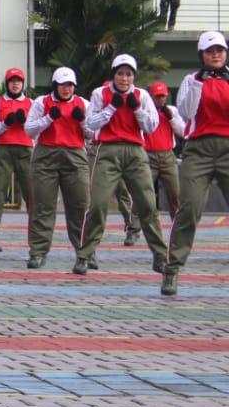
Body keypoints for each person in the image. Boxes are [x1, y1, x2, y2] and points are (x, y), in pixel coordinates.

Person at [80, 53, 167, 275]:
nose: (124, 78)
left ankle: (160, 255)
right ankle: (86, 254)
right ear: (114, 75)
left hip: (136, 152)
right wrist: (111, 109)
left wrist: (136, 109)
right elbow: (91, 123)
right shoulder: (101, 94)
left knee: (147, 205)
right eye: (120, 73)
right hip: (107, 150)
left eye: (128, 74)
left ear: (133, 77)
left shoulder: (142, 96)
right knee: (98, 204)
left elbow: (151, 127)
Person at [160, 31, 229, 296]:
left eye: (220, 51)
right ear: (201, 54)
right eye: (210, 51)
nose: (216, 55)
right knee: (188, 208)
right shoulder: (191, 80)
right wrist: (201, 82)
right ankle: (172, 270)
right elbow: (186, 112)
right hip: (198, 150)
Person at [23, 67, 92, 268]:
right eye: (62, 85)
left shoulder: (83, 104)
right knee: (43, 206)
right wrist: (48, 118)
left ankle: (84, 252)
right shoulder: (41, 102)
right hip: (46, 155)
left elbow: (92, 134)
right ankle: (38, 251)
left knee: (79, 205)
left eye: (70, 85)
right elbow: (29, 129)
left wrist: (83, 121)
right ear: (55, 85)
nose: (66, 89)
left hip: (75, 155)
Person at [0, 68, 33, 258]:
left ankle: (37, 243)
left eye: (18, 81)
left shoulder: (31, 103)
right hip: (2, 149)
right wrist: (5, 123)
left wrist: (26, 122)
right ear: (7, 83)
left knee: (32, 196)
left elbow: (36, 131)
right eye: (12, 81)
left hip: (25, 150)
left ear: (23, 83)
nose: (15, 84)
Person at [144, 81, 183, 219]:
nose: (160, 99)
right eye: (157, 96)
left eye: (163, 96)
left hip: (167, 156)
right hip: (148, 156)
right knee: (142, 193)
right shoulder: (145, 111)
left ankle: (178, 226)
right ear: (151, 97)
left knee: (175, 194)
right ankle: (133, 229)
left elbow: (182, 132)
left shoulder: (171, 110)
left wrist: (171, 118)